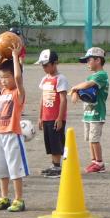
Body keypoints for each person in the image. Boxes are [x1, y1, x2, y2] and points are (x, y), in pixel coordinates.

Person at [0, 44, 29, 212]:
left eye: (7, 77)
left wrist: (14, 57)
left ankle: (19, 199)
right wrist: (1, 55)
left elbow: (18, 78)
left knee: (15, 169)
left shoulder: (18, 93)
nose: (3, 80)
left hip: (13, 135)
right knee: (1, 169)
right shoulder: (3, 91)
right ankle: (4, 197)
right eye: (2, 77)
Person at [71, 47, 109, 174]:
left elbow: (87, 85)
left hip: (97, 113)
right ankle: (94, 161)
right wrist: (76, 92)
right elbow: (84, 90)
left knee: (94, 139)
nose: (87, 63)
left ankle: (100, 163)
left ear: (98, 60)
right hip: (88, 113)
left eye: (89, 60)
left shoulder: (102, 75)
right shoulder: (90, 77)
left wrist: (74, 88)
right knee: (89, 139)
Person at [35, 49, 68, 178]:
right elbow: (42, 98)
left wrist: (60, 118)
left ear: (55, 63)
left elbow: (63, 99)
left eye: (46, 65)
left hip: (56, 117)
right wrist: (40, 117)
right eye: (42, 65)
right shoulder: (45, 79)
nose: (44, 68)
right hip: (46, 116)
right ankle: (54, 164)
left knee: (57, 142)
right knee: (49, 142)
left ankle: (58, 166)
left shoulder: (60, 79)